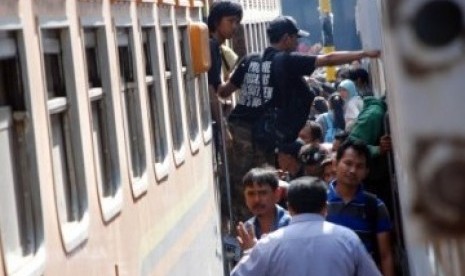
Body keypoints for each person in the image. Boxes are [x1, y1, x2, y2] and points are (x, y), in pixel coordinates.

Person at [218, 15, 380, 206]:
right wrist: (363, 54)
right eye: (296, 38)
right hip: (264, 135)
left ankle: (240, 223)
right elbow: (327, 59)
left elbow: (223, 91)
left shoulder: (250, 60)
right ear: (286, 38)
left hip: (238, 131)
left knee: (240, 184)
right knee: (262, 184)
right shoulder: (288, 61)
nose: (297, 43)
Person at [231, 176, 381, 276]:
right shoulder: (348, 239)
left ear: (289, 207)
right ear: (325, 207)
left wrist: (250, 252)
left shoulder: (269, 244)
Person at [326, 139, 395, 276]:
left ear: (366, 171)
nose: (352, 170)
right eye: (348, 163)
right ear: (335, 164)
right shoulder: (320, 202)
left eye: (359, 166)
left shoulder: (375, 206)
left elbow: (385, 255)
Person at [235, 167, 291, 251]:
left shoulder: (291, 225)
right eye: (251, 193)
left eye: (263, 193)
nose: (256, 199)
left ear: (277, 194)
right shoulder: (247, 230)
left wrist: (253, 251)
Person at [207, 0, 243, 126]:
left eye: (237, 22)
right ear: (217, 22)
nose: (234, 26)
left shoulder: (216, 46)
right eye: (230, 21)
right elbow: (211, 89)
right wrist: (222, 125)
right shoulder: (212, 46)